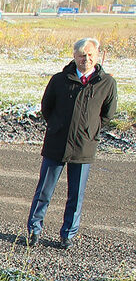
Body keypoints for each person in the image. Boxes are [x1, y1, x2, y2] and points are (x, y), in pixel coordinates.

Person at [26, 37, 117, 250]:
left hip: (84, 146)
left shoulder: (106, 83)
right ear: (74, 56)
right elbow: (46, 107)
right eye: (82, 55)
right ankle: (34, 230)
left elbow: (108, 114)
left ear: (96, 56)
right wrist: (58, 126)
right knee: (44, 191)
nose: (86, 59)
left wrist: (89, 130)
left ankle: (68, 234)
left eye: (90, 55)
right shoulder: (59, 80)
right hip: (56, 144)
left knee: (76, 195)